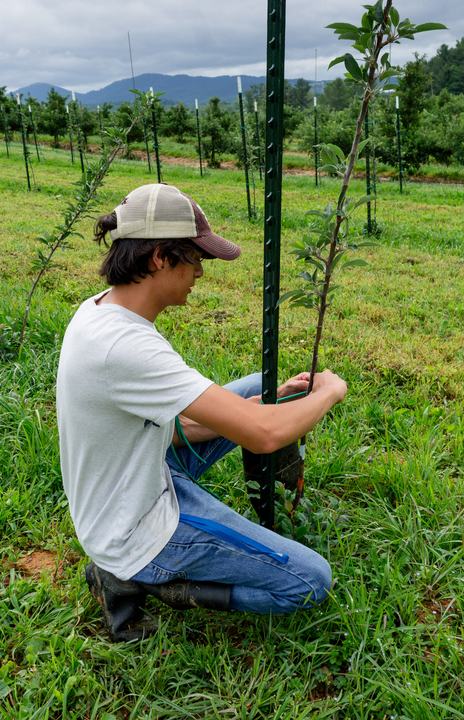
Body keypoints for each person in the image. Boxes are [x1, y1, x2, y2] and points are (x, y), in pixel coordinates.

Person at [56, 183, 347, 641]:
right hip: (135, 527)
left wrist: (248, 411)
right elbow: (265, 436)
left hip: (131, 478)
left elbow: (166, 427)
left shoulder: (100, 312)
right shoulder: (126, 347)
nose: (200, 274)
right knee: (311, 581)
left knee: (257, 390)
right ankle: (162, 583)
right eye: (195, 259)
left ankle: (156, 556)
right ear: (158, 257)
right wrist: (327, 393)